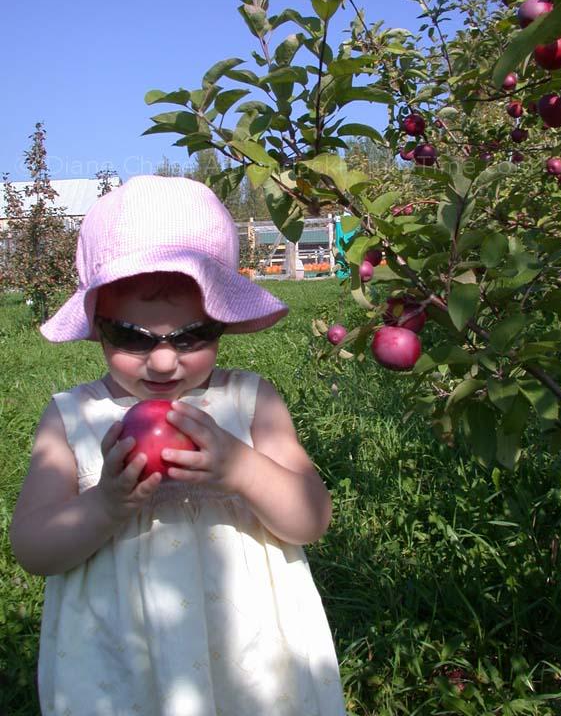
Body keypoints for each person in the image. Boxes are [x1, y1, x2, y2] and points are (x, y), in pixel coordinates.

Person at [10, 175, 347, 716]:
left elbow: (311, 518)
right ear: (97, 328)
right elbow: (31, 547)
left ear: (223, 324)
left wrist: (242, 470)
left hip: (250, 652)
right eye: (131, 337)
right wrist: (105, 504)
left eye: (192, 336)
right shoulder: (71, 417)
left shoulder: (250, 401)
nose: (164, 362)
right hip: (121, 658)